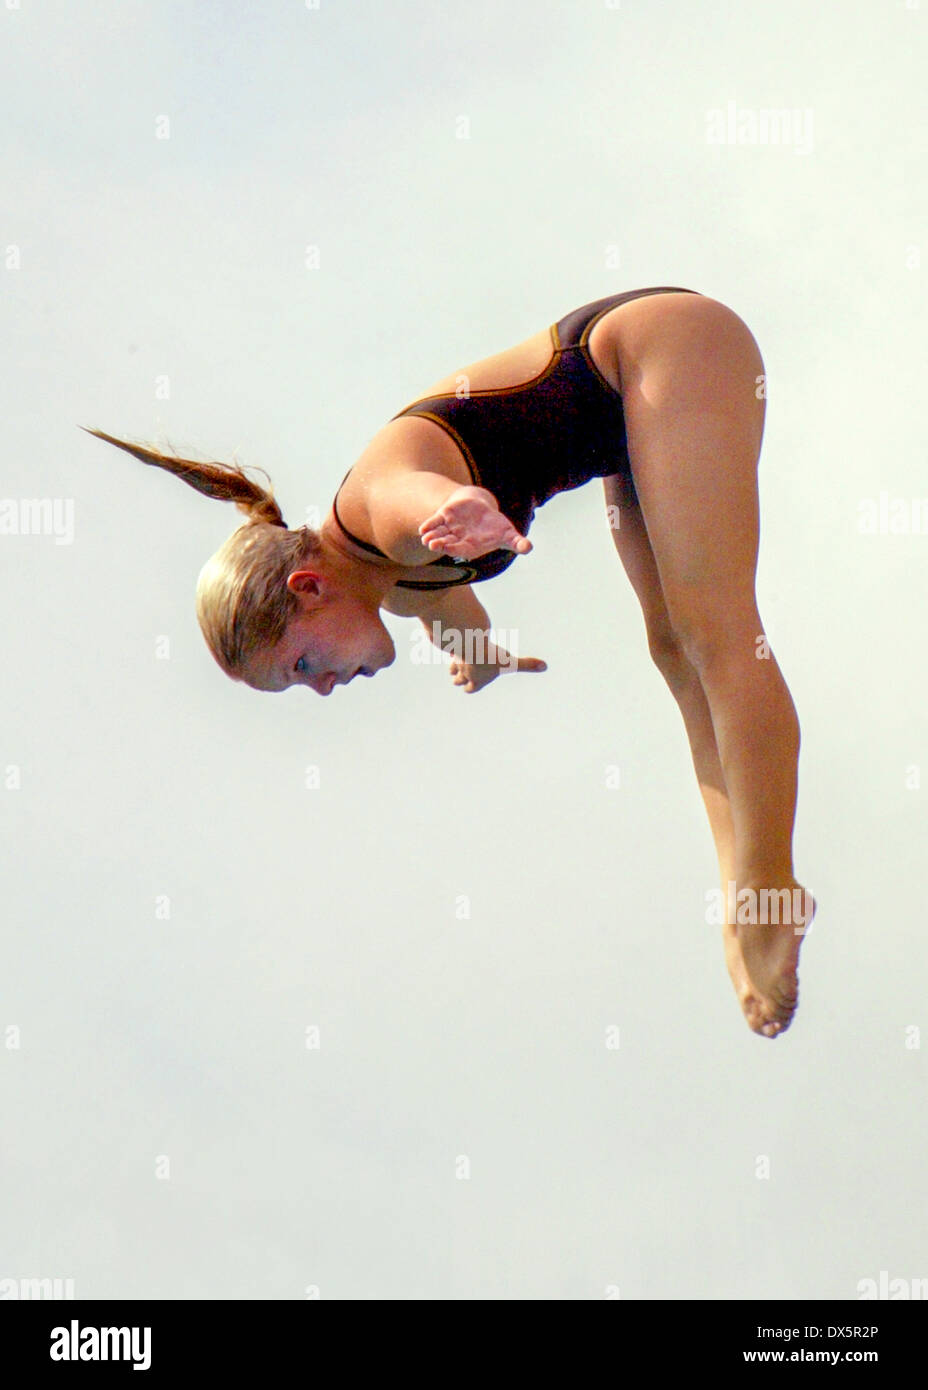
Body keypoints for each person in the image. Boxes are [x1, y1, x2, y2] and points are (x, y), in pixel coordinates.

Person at [81, 285, 815, 1039]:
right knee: (672, 651)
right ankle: (742, 888)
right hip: (618, 421)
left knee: (714, 630)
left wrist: (457, 511)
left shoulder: (376, 514)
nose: (327, 689)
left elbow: (414, 497)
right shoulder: (399, 592)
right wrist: (481, 656)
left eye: (304, 666)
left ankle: (766, 892)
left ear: (308, 588)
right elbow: (456, 615)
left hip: (658, 348)